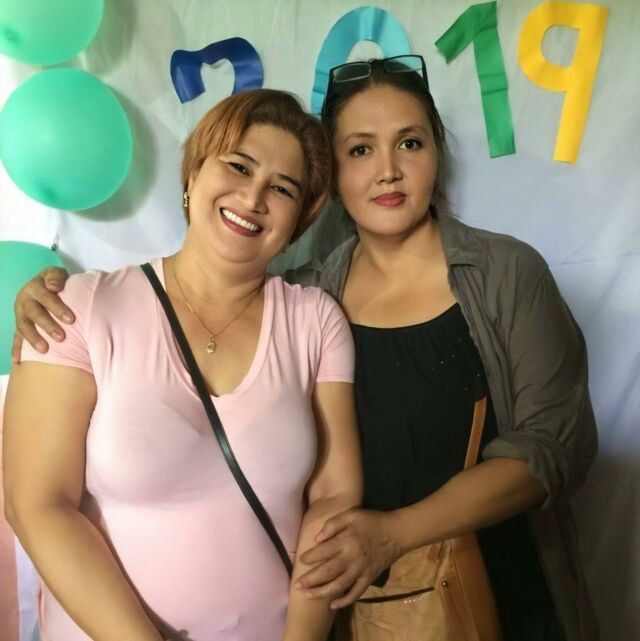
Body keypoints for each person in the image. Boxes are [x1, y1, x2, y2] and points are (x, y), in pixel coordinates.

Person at [11, 55, 598, 641]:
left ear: (436, 156)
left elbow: (552, 447)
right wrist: (49, 304)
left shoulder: (498, 274)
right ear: (334, 182)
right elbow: (39, 497)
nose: (387, 171)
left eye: (410, 143)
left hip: (491, 585)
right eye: (360, 149)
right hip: (356, 608)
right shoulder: (316, 295)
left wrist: (392, 534)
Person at [3, 88, 362, 641]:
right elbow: (37, 505)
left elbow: (334, 498)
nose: (253, 196)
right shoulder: (78, 308)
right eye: (238, 166)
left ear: (299, 220)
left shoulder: (316, 321)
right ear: (193, 174)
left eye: (282, 188)